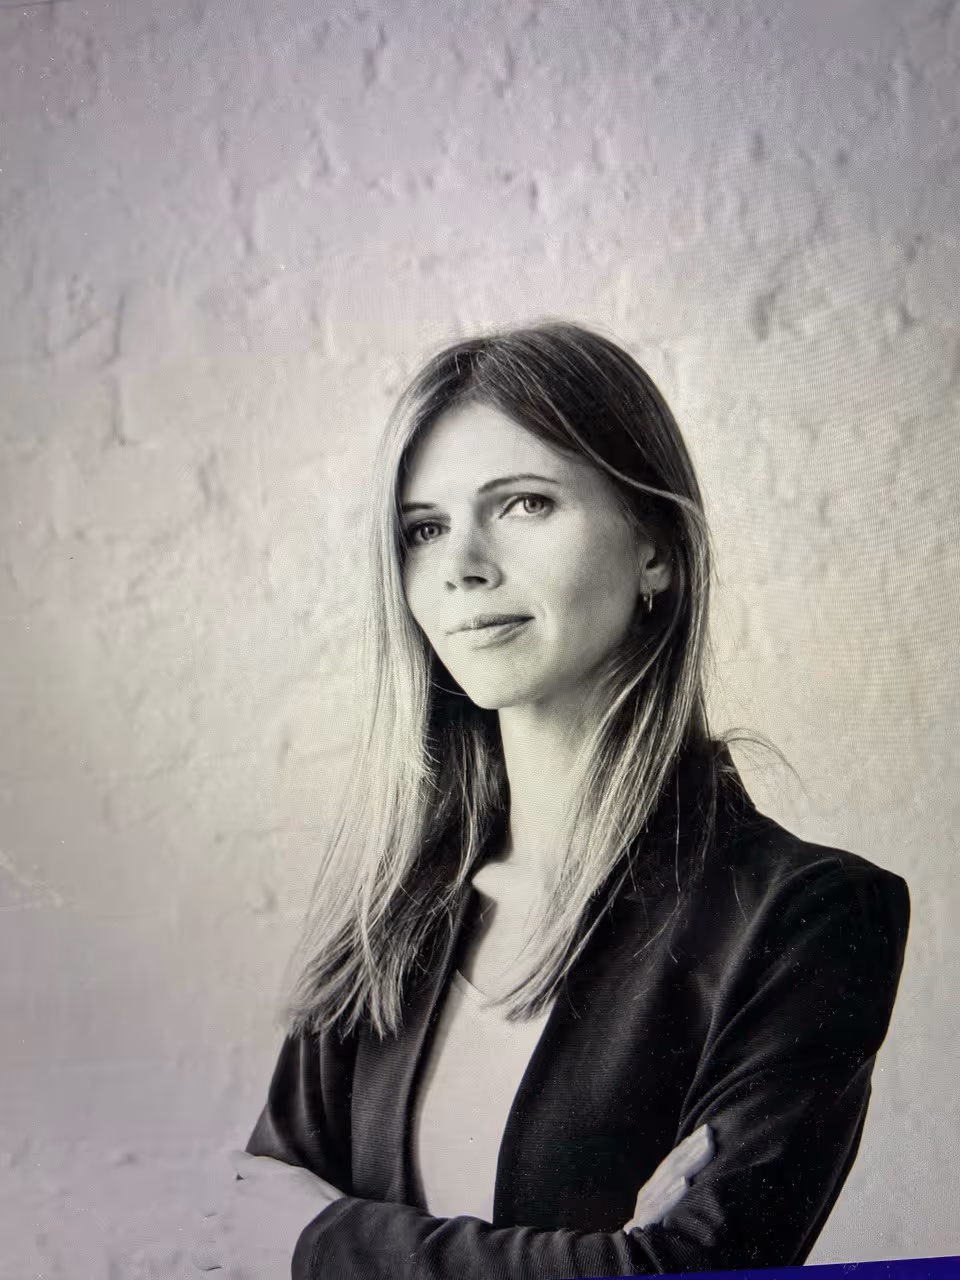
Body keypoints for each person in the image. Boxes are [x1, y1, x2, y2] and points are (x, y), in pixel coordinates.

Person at [191, 321, 910, 1279]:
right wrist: (593, 1259)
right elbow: (236, 1236)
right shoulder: (390, 912)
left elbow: (691, 1275)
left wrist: (321, 1240)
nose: (462, 565)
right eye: (424, 529)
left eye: (524, 503)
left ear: (656, 547)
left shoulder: (807, 915)